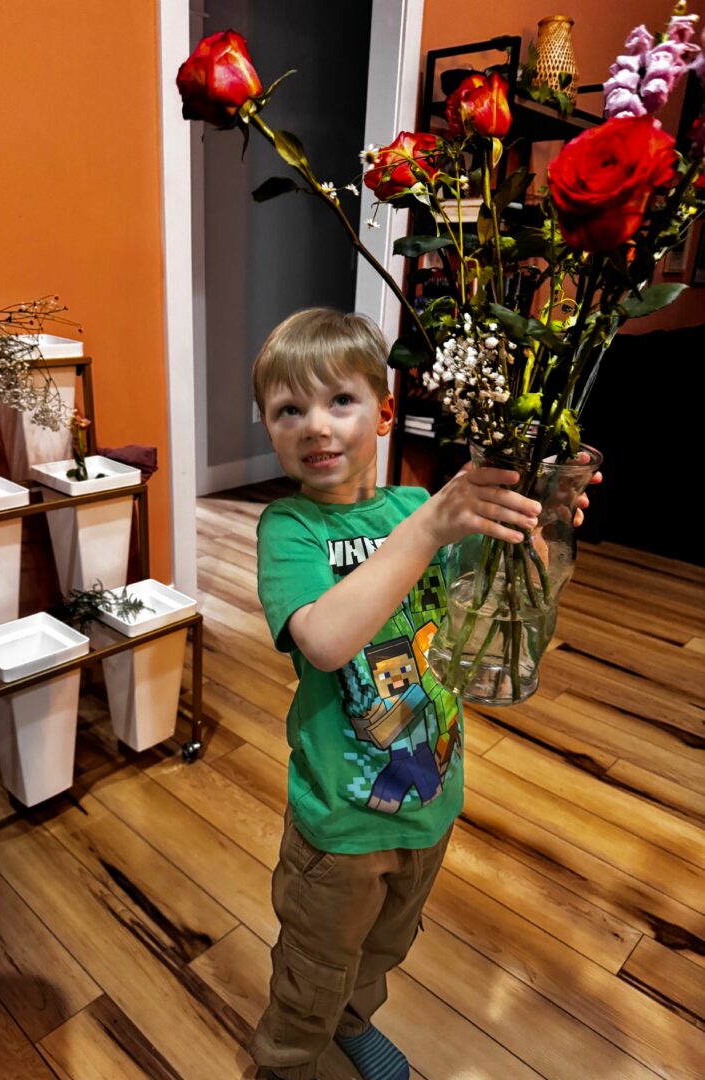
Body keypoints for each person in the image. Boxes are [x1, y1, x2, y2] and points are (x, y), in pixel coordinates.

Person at [249, 308, 594, 1080]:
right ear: (268, 428)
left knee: (385, 946)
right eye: (288, 409)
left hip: (431, 797)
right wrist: (431, 528)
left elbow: (507, 581)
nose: (316, 425)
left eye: (340, 401)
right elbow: (326, 639)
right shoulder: (291, 528)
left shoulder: (414, 510)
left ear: (384, 414)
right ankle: (286, 1061)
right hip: (339, 824)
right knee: (313, 966)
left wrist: (543, 517)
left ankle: (351, 1022)